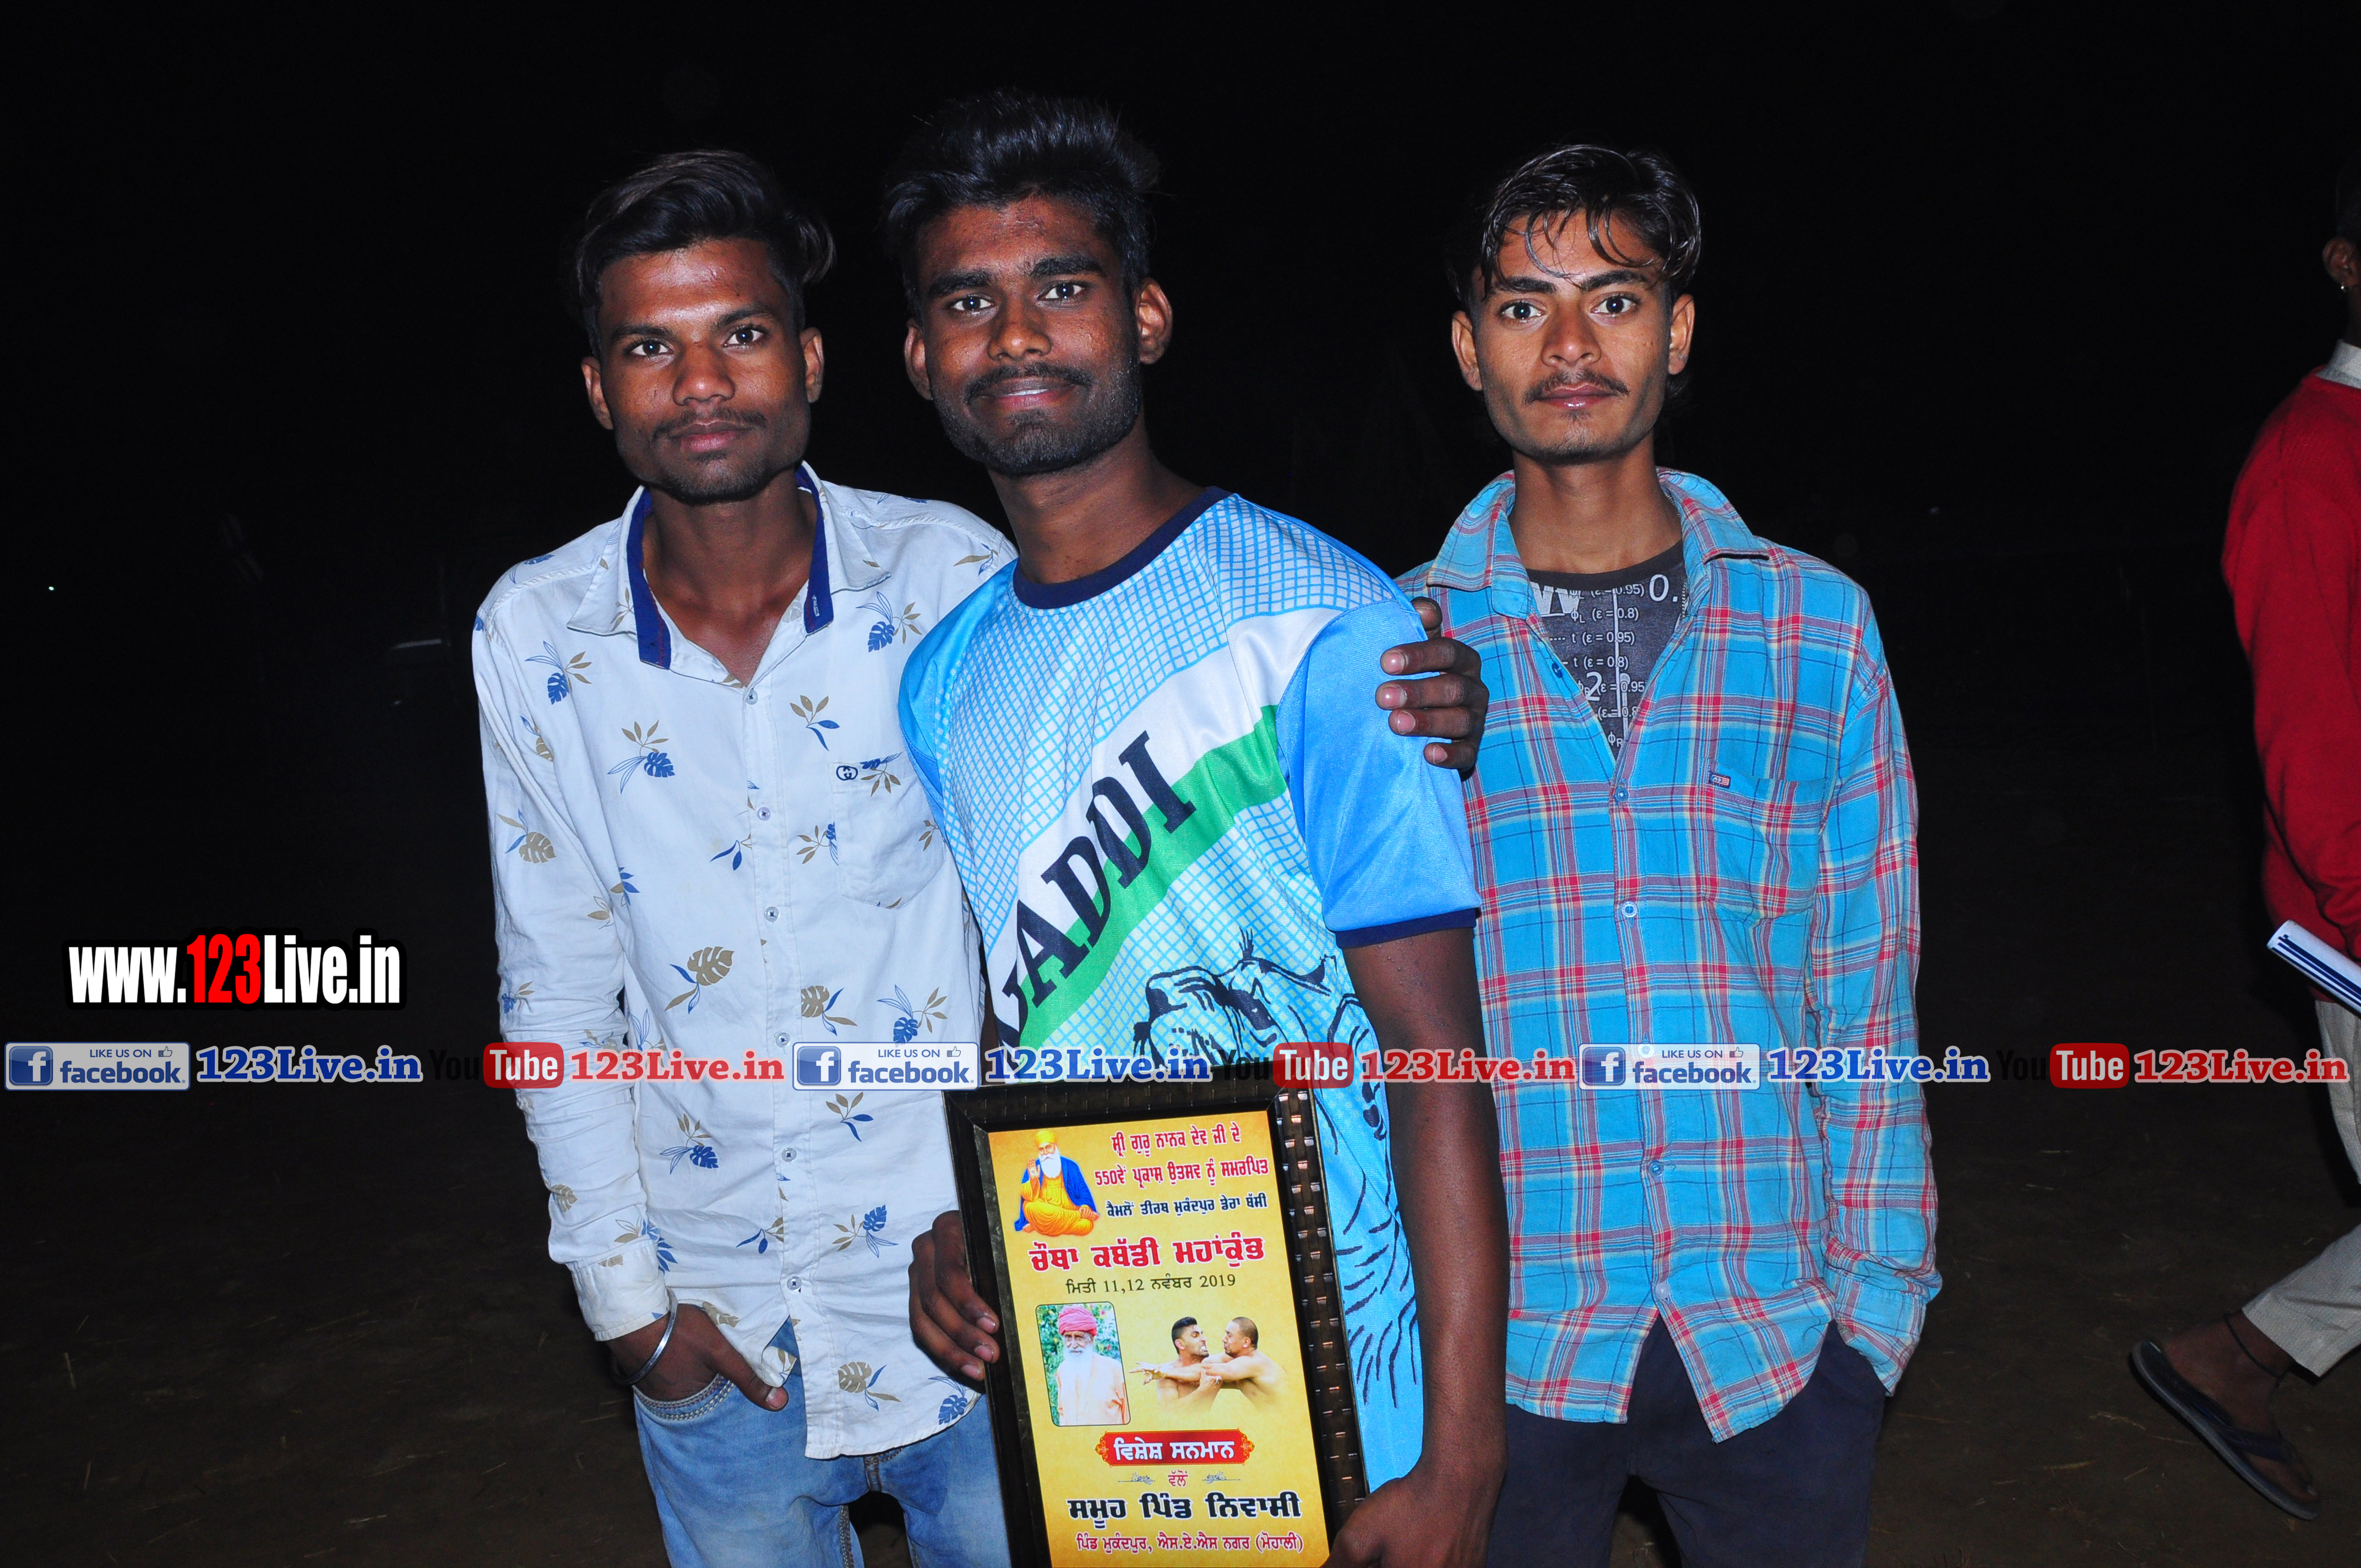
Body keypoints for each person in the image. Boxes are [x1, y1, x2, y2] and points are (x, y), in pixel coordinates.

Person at [475, 149, 1487, 1568]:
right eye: (651, 347)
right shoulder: (547, 632)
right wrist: (627, 1309)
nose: (701, 381)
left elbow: (1405, 1019)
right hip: (777, 1305)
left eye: (742, 332)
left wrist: (1428, 688)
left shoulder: (948, 583)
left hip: (1046, 1308)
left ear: (813, 360)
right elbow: (558, 975)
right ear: (599, 385)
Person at [891, 93, 1510, 1568]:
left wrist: (1463, 1458)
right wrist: (972, 1213)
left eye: (1062, 286)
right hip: (1105, 1392)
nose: (1015, 334)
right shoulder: (941, 680)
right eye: (968, 302)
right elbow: (1017, 1005)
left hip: (1350, 1394)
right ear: (920, 357)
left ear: (1147, 317)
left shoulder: (1327, 626)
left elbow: (1437, 1058)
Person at [1400, 145, 1939, 1568]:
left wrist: (1872, 1315)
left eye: (1615, 299)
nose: (1570, 345)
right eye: (1523, 307)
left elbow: (1865, 986)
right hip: (1500, 1351)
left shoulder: (1816, 628)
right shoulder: (1391, 650)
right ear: (1468, 347)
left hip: (1772, 1338)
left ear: (1677, 330)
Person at [2130, 146, 2361, 1525]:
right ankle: (2237, 1351)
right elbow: (2309, 733)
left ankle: (2239, 1352)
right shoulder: (2305, 461)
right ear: (2342, 264)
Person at [1051, 1306, 1130, 1425]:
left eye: (1079, 1338)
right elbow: (1062, 1413)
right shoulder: (1063, 1370)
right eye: (1068, 1338)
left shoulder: (1114, 1369)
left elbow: (1128, 1415)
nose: (1073, 1345)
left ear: (1091, 1340)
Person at [1012, 1129, 1098, 1236]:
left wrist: (1085, 1206)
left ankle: (1040, 1225)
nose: (1045, 1153)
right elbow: (1027, 1197)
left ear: (1055, 1147)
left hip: (1068, 1206)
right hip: (1045, 1208)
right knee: (1030, 1206)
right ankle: (1077, 1216)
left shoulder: (1070, 1165)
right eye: (1042, 1150)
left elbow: (1082, 1189)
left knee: (1087, 1226)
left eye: (1048, 1147)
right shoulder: (1034, 1167)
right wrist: (1033, 1180)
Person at [1135, 1316, 1218, 1407]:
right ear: (1180, 1344)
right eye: (1195, 1336)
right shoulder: (1165, 1374)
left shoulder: (1215, 1368)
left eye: (1202, 1334)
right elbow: (1169, 1410)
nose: (1204, 1339)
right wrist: (1202, 1390)